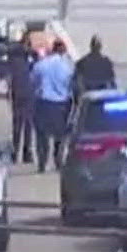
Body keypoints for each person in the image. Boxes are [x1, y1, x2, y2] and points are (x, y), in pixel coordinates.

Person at [29, 39, 77, 171]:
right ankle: (58, 160)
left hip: (43, 103)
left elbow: (32, 81)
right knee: (60, 135)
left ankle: (42, 162)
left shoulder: (41, 65)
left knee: (42, 135)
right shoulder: (67, 67)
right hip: (61, 104)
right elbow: (71, 85)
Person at [6, 30, 39, 167]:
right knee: (27, 125)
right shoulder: (27, 57)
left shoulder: (15, 58)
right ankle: (26, 152)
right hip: (26, 92)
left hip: (18, 92)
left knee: (18, 125)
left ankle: (16, 152)